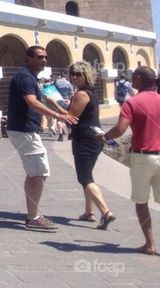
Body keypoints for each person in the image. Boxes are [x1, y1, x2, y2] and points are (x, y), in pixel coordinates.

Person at [6, 45, 78, 231]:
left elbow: (44, 96)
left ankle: (33, 214)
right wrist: (59, 116)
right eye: (39, 57)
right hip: (24, 131)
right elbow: (32, 102)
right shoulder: (24, 77)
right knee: (39, 172)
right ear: (27, 59)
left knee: (35, 172)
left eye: (45, 57)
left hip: (26, 130)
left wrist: (61, 110)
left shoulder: (31, 78)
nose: (43, 60)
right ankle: (33, 217)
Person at [101, 65, 160, 255]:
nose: (132, 81)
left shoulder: (132, 103)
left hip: (143, 157)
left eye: (134, 77)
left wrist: (104, 136)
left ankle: (150, 244)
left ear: (140, 79)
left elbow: (120, 129)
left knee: (141, 201)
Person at [65, 61, 115, 229]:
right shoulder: (91, 92)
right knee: (87, 175)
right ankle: (89, 212)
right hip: (95, 138)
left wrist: (53, 103)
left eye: (78, 74)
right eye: (72, 74)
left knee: (84, 177)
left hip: (84, 139)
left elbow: (71, 117)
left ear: (86, 75)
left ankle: (106, 212)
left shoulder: (81, 94)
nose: (74, 77)